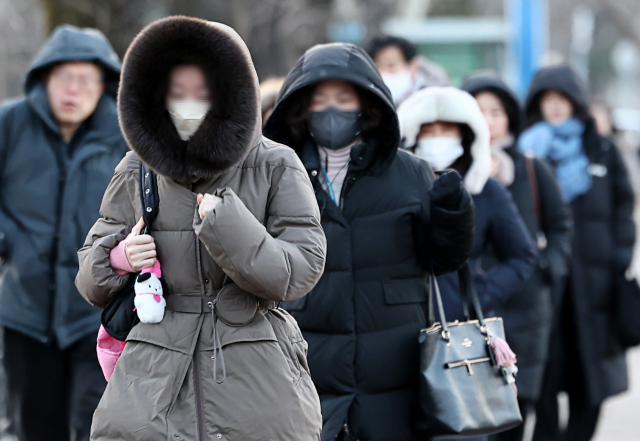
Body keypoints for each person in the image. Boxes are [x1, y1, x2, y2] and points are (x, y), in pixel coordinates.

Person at [75, 16, 326, 441]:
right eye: (177, 93)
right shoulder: (137, 167)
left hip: (257, 376)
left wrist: (227, 226)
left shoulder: (276, 162)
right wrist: (119, 257)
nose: (189, 104)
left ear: (231, 94)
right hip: (153, 380)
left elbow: (300, 271)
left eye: (202, 92)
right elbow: (89, 280)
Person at [263, 42, 475, 441]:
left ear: (367, 102)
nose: (331, 109)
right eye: (320, 98)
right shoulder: (278, 174)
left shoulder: (410, 172)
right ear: (300, 106)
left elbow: (442, 259)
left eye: (344, 97)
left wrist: (454, 213)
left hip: (395, 370)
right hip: (306, 364)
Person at [0, 25, 126, 441]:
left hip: (96, 314)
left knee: (97, 426)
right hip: (26, 312)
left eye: (86, 79)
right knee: (34, 427)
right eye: (64, 77)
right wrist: (11, 243)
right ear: (44, 78)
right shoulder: (10, 123)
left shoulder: (123, 136)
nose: (74, 90)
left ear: (104, 85)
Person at [518, 65, 635, 441]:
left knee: (593, 378)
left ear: (576, 102)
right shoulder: (526, 151)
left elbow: (623, 206)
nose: (555, 107)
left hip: (596, 284)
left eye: (562, 99)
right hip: (546, 283)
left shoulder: (601, 148)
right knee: (545, 376)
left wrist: (619, 255)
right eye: (547, 100)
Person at [461, 75, 573, 441]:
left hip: (525, 309)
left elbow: (560, 224)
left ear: (509, 117)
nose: (488, 120)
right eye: (478, 111)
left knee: (515, 412)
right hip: (469, 309)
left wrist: (547, 266)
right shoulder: (451, 169)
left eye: (496, 112)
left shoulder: (529, 168)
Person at [366, 35, 449, 106]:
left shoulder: (438, 103)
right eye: (375, 68)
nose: (382, 73)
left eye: (391, 65)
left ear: (413, 67)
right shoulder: (362, 103)